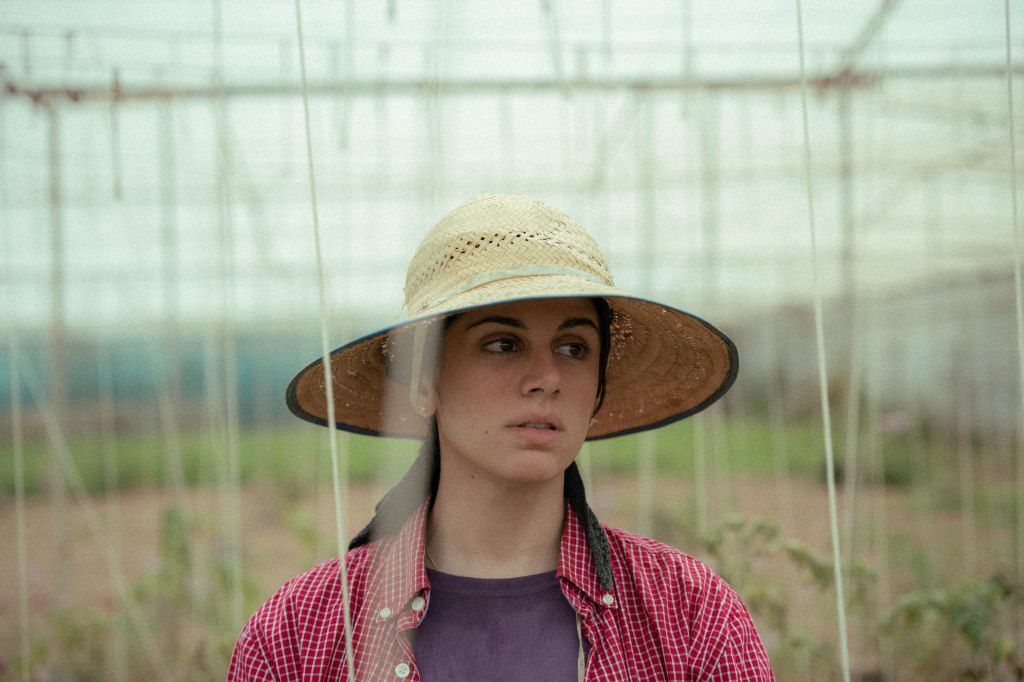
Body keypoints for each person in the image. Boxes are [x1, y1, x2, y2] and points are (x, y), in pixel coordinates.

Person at [228, 194, 774, 681]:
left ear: (598, 391)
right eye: (501, 344)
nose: (547, 377)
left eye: (573, 348)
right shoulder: (294, 637)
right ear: (424, 385)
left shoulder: (693, 618)